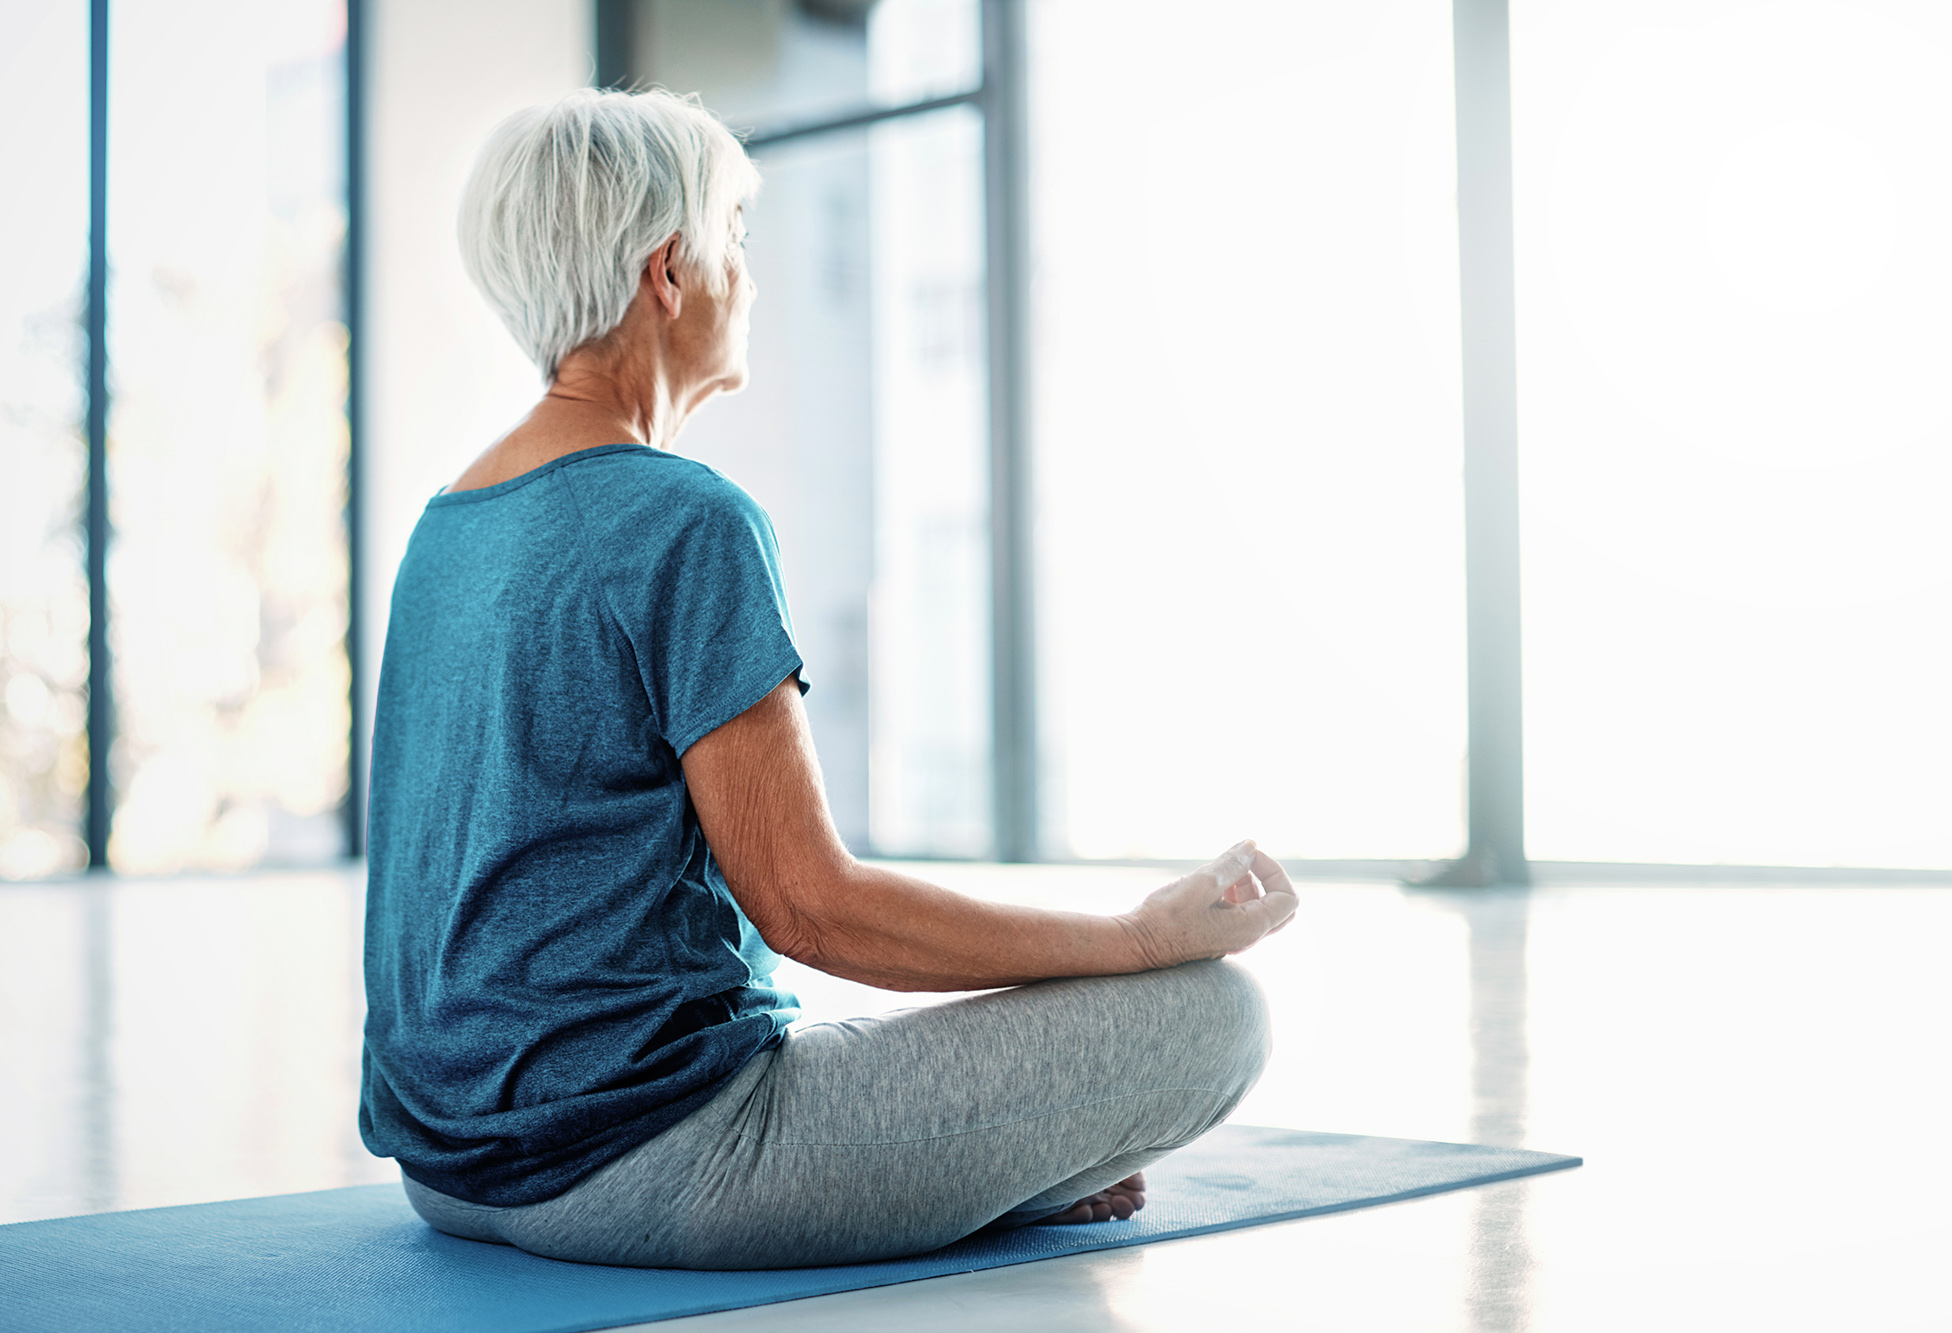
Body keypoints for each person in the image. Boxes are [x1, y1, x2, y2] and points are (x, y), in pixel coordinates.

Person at [359, 87, 1298, 1271]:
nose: (748, 278)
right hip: (650, 1160)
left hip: (448, 1171)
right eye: (734, 239)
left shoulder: (445, 525)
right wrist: (1140, 936)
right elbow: (809, 906)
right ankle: (984, 1178)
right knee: (1217, 1017)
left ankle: (981, 1181)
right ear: (667, 272)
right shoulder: (687, 520)